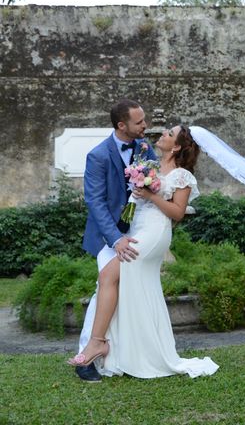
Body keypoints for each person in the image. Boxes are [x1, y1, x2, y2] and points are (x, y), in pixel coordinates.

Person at [69, 124, 218, 379]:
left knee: (108, 277)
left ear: (178, 146)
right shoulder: (150, 164)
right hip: (136, 229)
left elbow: (177, 214)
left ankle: (97, 343)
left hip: (154, 232)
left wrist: (151, 197)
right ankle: (131, 350)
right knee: (129, 286)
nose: (162, 135)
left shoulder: (182, 175)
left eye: (169, 134)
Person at [74, 98, 157, 382]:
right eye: (139, 122)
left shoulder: (146, 148)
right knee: (104, 290)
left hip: (140, 231)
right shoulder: (98, 155)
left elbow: (153, 183)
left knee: (129, 293)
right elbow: (95, 202)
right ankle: (85, 358)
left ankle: (124, 354)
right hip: (109, 236)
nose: (145, 125)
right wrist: (116, 239)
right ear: (122, 125)